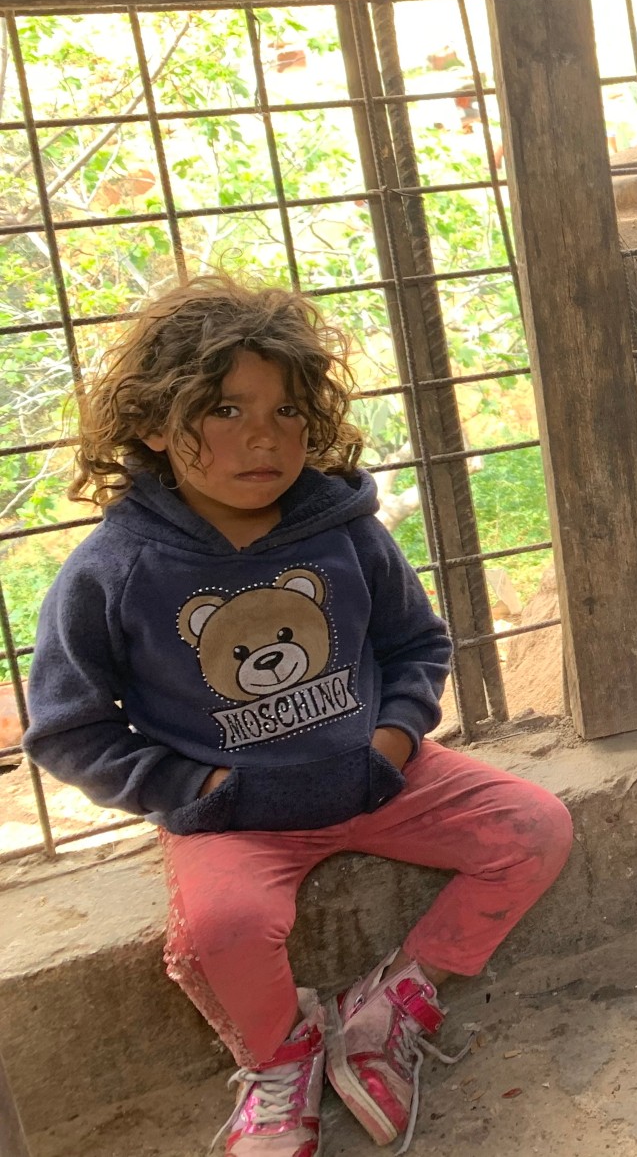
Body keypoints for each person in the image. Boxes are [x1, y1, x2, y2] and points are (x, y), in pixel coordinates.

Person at [24, 277, 574, 1156]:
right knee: (219, 931)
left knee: (536, 828)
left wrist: (392, 741)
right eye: (227, 409)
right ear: (157, 426)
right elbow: (65, 725)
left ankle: (393, 1005)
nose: (264, 438)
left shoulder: (345, 530)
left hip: (375, 776)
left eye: (286, 412)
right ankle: (282, 1059)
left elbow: (416, 645)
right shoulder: (115, 569)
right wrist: (195, 787)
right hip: (234, 813)